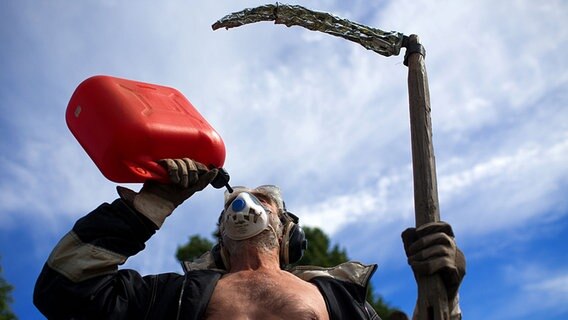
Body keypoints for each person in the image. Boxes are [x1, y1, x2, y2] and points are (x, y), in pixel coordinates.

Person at [34, 158, 465, 319]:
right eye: (232, 203)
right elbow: (63, 290)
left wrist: (445, 294)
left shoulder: (341, 301)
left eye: (261, 199)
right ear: (220, 236)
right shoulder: (171, 298)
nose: (242, 203)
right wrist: (152, 203)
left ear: (286, 230)